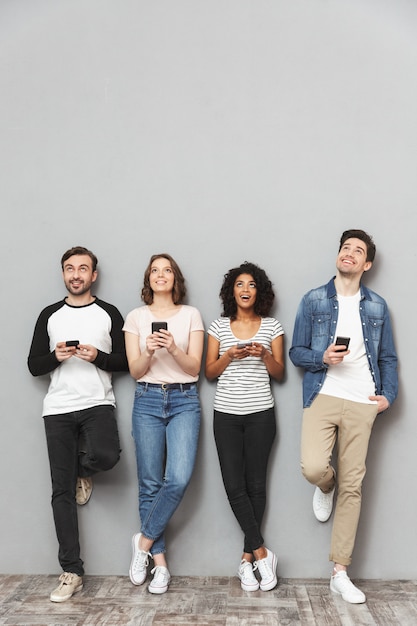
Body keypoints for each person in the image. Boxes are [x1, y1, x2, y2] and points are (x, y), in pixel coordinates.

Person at [289, 229, 398, 604]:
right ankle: (325, 485)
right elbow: (296, 351)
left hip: (363, 402)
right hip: (323, 394)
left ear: (366, 264)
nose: (350, 253)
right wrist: (321, 358)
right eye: (345, 248)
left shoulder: (378, 307)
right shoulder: (314, 299)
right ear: (338, 256)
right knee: (314, 467)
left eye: (358, 250)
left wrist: (388, 397)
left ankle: (340, 572)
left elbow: (387, 357)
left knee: (355, 485)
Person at [27, 246, 128, 603]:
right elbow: (33, 365)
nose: (75, 274)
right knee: (60, 492)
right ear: (64, 274)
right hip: (57, 408)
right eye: (69, 268)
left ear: (93, 275)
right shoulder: (50, 315)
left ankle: (81, 470)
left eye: (82, 269)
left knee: (107, 456)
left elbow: (127, 360)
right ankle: (71, 571)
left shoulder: (109, 313)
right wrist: (56, 356)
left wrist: (96, 357)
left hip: (97, 403)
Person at [123, 253, 204, 595]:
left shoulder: (190, 315)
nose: (160, 275)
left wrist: (172, 347)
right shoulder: (136, 317)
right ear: (148, 279)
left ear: (175, 278)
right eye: (154, 270)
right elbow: (135, 371)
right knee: (150, 483)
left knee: (179, 477)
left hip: (185, 400)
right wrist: (151, 352)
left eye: (166, 270)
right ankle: (160, 566)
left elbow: (194, 368)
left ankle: (142, 541)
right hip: (147, 400)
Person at [205, 262, 285, 592]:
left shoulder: (272, 325)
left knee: (256, 486)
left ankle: (246, 560)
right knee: (234, 486)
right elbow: (209, 372)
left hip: (260, 414)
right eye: (240, 284)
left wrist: (264, 354)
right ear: (232, 291)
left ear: (259, 291)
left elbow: (279, 373)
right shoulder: (218, 326)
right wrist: (230, 356)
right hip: (225, 414)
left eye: (252, 284)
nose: (245, 289)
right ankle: (263, 553)